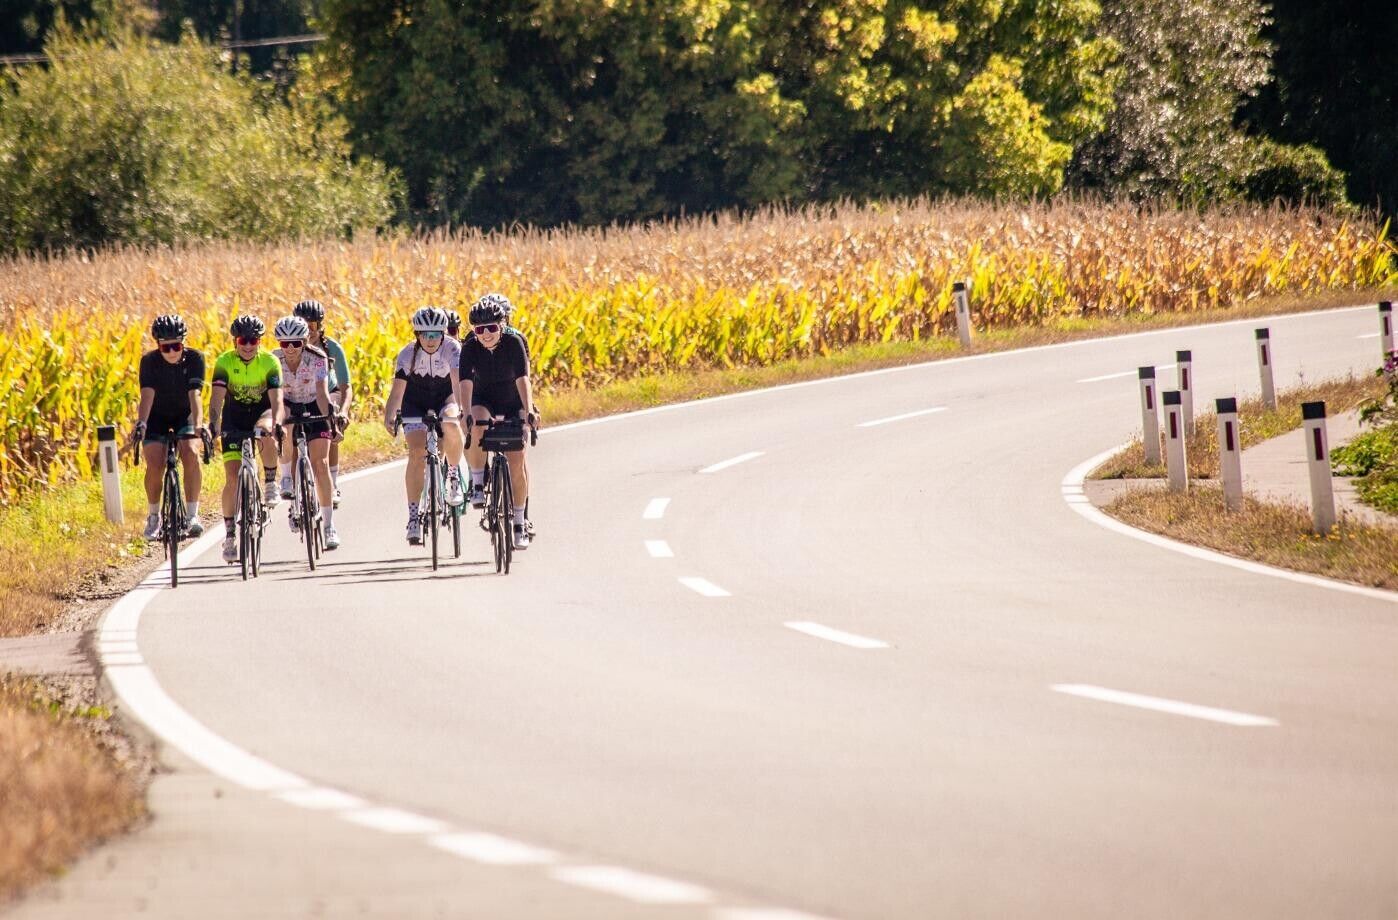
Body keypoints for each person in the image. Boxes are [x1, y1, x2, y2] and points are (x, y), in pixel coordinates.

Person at [382, 306, 466, 545]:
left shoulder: (453, 348)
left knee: (451, 424)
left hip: (445, 397)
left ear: (443, 333)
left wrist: (462, 411)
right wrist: (389, 416)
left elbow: (457, 383)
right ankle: (413, 517)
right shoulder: (407, 354)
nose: (430, 340)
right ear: (417, 334)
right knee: (417, 453)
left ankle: (452, 476)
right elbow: (398, 391)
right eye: (425, 334)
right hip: (415, 402)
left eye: (436, 334)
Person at [459, 294, 534, 549]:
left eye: (491, 328)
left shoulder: (515, 341)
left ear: (501, 325)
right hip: (484, 397)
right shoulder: (470, 345)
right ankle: (478, 482)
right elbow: (465, 382)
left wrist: (529, 411)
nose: (486, 334)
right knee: (477, 423)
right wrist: (465, 413)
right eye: (480, 330)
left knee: (517, 460)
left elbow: (523, 379)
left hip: (512, 398)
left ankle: (520, 522)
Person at [209, 315, 284, 564]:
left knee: (266, 431)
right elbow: (216, 399)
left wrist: (278, 423)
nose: (248, 345)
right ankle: (230, 535)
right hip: (234, 418)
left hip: (262, 413)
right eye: (243, 341)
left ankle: (270, 481)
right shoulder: (224, 362)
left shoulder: (270, 362)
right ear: (235, 341)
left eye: (254, 341)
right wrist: (213, 424)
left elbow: (277, 400)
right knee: (232, 478)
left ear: (259, 341)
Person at [130, 314, 207, 539]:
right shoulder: (149, 361)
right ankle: (154, 516)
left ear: (183, 343)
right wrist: (142, 423)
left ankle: (192, 515)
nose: (172, 352)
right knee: (155, 463)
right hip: (156, 416)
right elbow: (147, 395)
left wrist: (199, 425)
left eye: (177, 346)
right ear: (158, 345)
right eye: (166, 347)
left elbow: (195, 395)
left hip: (185, 415)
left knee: (191, 453)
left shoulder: (195, 358)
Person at [273, 316, 342, 550]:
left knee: (320, 463)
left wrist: (331, 423)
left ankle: (329, 526)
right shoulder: (274, 360)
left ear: (304, 342)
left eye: (295, 343)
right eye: (285, 343)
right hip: (287, 403)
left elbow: (322, 393)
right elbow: (275, 398)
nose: (290, 348)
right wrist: (277, 423)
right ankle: (286, 478)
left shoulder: (318, 358)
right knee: (286, 424)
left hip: (313, 403)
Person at [294, 299, 352, 507]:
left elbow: (346, 386)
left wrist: (343, 412)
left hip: (328, 392)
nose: (308, 331)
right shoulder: (290, 347)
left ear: (320, 325)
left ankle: (332, 482)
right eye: (303, 326)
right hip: (301, 395)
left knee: (330, 420)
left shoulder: (332, 348)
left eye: (312, 326)